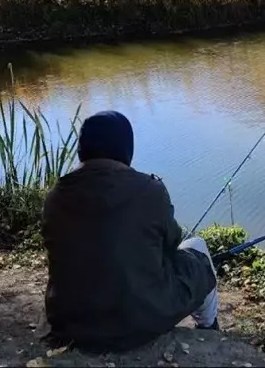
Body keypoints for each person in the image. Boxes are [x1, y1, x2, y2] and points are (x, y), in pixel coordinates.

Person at [41, 111, 219, 352]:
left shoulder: (54, 197)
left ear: (81, 149)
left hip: (69, 323)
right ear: (127, 149)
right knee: (196, 249)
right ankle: (209, 329)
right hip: (138, 323)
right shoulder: (150, 190)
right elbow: (173, 242)